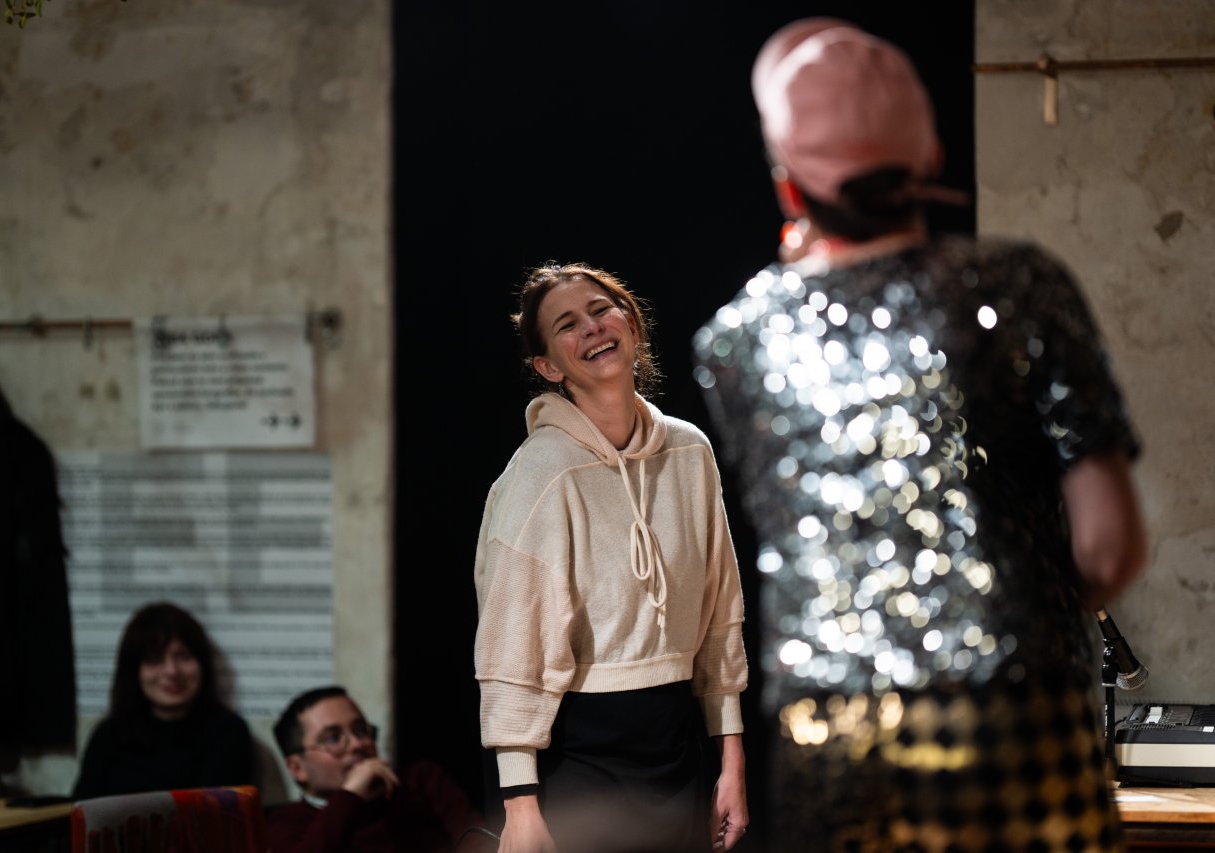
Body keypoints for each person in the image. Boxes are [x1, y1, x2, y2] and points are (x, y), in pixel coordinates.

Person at [693, 19, 1147, 851]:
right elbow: (1110, 549)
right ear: (929, 157)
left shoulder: (737, 340)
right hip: (1016, 712)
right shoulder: (1019, 285)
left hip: (829, 734)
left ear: (789, 185)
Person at [475, 263, 750, 853]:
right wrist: (519, 804)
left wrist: (731, 760)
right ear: (548, 367)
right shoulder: (541, 473)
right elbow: (510, 647)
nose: (592, 328)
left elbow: (720, 611)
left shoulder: (690, 451)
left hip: (679, 745)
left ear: (631, 322)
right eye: (568, 325)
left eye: (601, 309)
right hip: (580, 754)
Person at [269, 686, 489, 853]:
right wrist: (349, 796)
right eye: (333, 738)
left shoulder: (420, 781)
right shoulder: (286, 822)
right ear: (297, 768)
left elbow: (481, 841)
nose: (358, 744)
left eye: (360, 729)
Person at [72, 601, 255, 799]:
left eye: (183, 656)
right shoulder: (109, 735)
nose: (171, 671)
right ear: (134, 670)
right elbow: (82, 808)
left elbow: (220, 811)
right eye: (155, 659)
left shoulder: (228, 732)